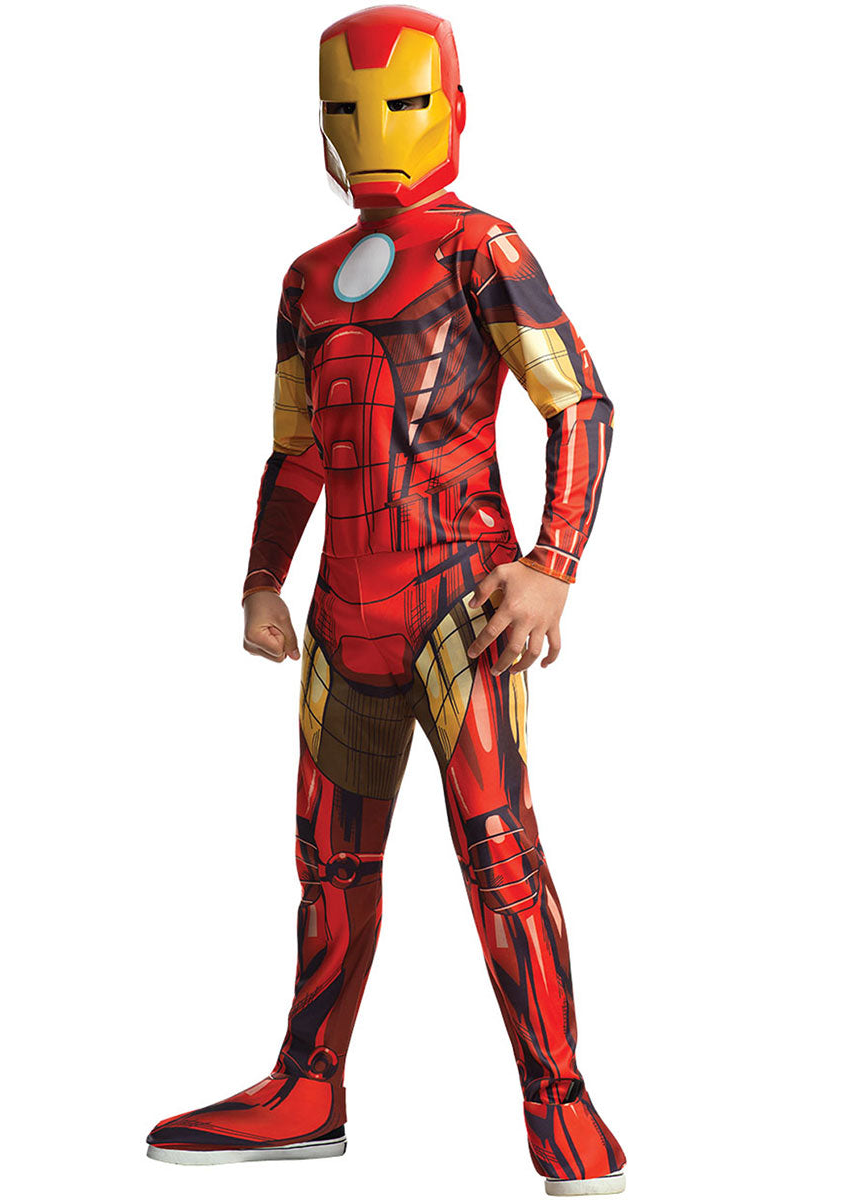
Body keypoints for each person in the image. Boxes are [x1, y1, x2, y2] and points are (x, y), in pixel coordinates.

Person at [146, 6, 627, 1195]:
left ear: (451, 108)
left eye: (402, 103)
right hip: (341, 615)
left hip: (464, 604)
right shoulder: (307, 280)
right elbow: (297, 449)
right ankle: (308, 1085)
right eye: (348, 109)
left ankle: (561, 1102)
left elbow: (581, 403)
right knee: (328, 865)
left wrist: (554, 563)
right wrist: (262, 580)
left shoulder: (482, 249)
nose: (374, 130)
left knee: (500, 854)